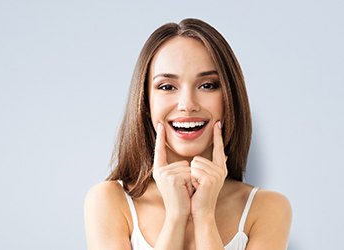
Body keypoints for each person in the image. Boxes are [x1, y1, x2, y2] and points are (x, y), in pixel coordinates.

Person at [84, 18, 292, 250]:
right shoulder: (110, 201)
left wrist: (204, 216)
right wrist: (175, 216)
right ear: (145, 102)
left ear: (229, 97)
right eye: (167, 87)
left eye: (208, 85)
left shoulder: (267, 208)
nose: (187, 104)